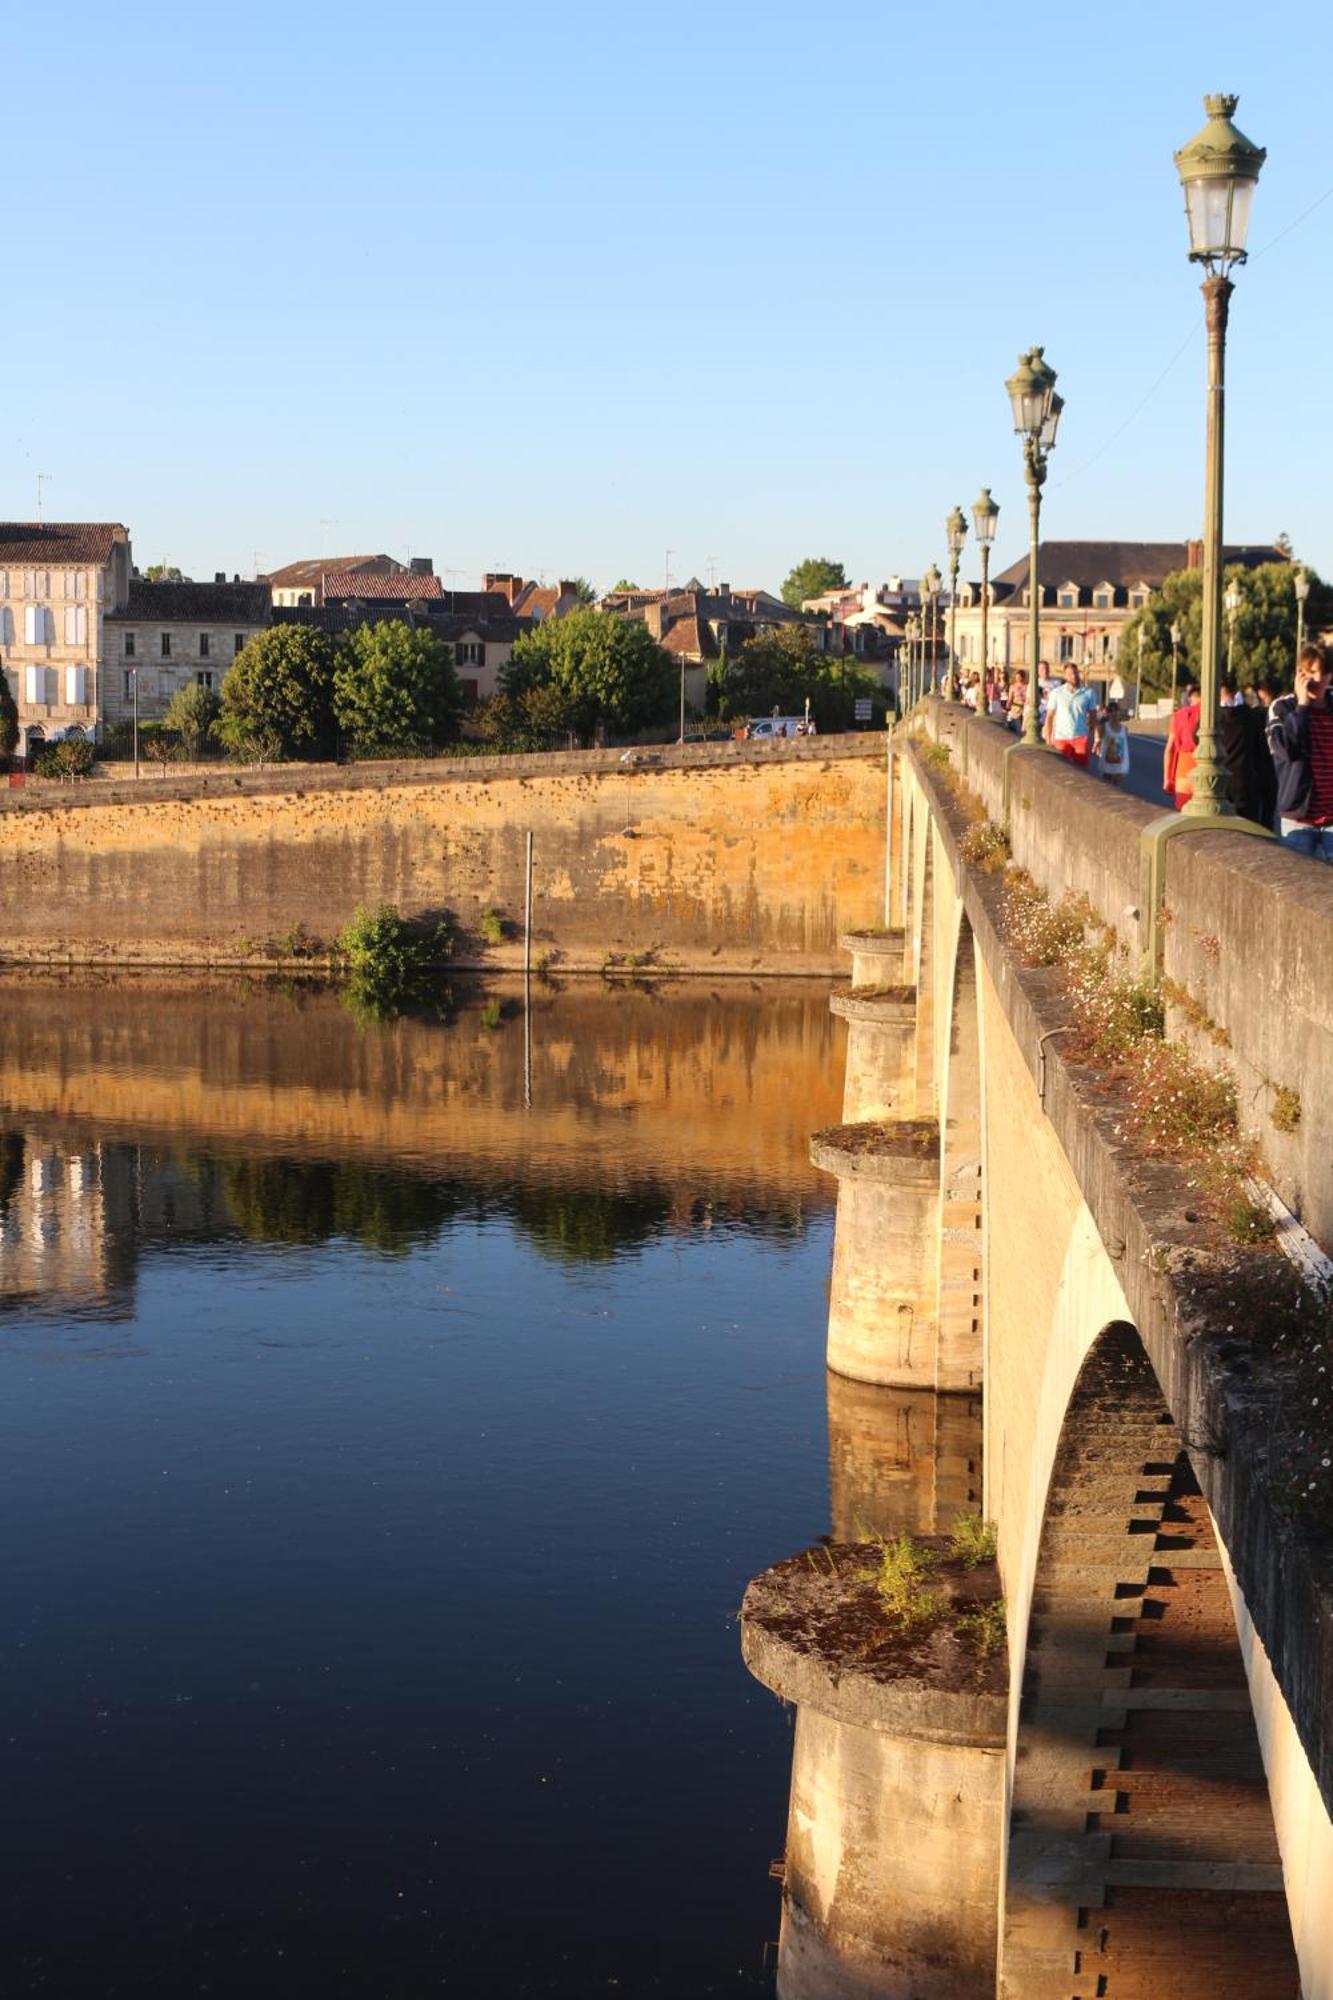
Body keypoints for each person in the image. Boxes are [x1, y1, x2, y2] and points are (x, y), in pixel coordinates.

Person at [1267, 644, 1333, 859]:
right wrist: (1302, 706)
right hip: (1299, 819)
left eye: (1321, 673)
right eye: (1309, 672)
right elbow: (1287, 750)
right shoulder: (1282, 708)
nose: (1315, 680)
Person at [1043, 662, 1098, 766]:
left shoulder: (1089, 693)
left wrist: (1094, 737)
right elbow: (1049, 717)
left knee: (1082, 773)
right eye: (1070, 674)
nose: (1074, 676)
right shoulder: (1056, 693)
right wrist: (1048, 739)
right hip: (1061, 738)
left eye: (1075, 673)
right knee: (1061, 770)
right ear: (1065, 676)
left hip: (1080, 737)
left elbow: (1093, 717)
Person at [1163, 682, 1201, 809]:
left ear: (1191, 698)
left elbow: (1169, 749)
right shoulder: (1208, 714)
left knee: (1183, 814)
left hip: (1182, 771)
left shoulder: (1178, 715)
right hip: (1202, 768)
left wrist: (1167, 778)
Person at [1097, 699, 1130, 787]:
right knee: (1107, 786)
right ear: (1108, 713)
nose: (1114, 713)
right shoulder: (1104, 726)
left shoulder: (1124, 728)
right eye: (1111, 711)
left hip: (1119, 762)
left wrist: (1125, 763)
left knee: (1117, 786)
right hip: (1108, 761)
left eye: (1116, 711)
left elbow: (1125, 747)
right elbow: (1099, 737)